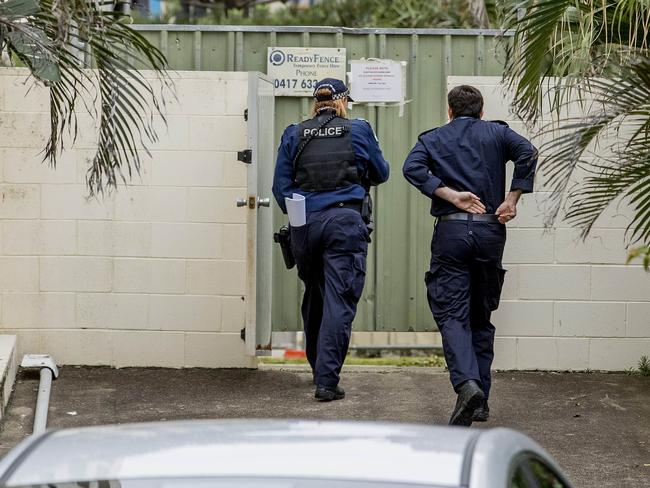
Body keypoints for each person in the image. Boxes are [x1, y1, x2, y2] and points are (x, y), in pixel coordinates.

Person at [403, 85, 537, 426]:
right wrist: (513, 198)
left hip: (451, 232)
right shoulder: (497, 133)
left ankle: (467, 386)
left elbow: (412, 168)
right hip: (490, 230)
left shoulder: (433, 139)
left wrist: (449, 194)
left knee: (452, 313)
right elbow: (529, 153)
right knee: (480, 316)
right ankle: (480, 402)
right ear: (481, 110)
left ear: (449, 111)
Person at [272, 78, 390, 402]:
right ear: (343, 102)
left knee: (315, 294)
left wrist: (302, 211)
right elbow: (382, 173)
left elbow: (280, 188)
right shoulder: (359, 130)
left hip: (305, 226)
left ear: (316, 103)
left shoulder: (294, 133)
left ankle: (316, 368)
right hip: (344, 224)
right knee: (339, 299)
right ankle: (326, 381)